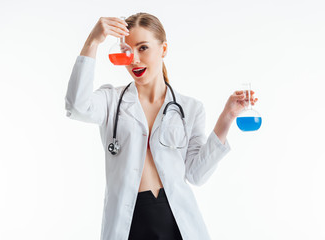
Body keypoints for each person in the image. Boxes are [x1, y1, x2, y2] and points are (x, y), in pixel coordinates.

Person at [65, 12, 258, 240]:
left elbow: (196, 175)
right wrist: (93, 41)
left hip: (175, 222)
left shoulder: (190, 108)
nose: (134, 59)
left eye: (143, 48)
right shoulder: (111, 100)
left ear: (163, 49)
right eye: (127, 50)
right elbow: (76, 107)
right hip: (128, 224)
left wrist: (227, 117)